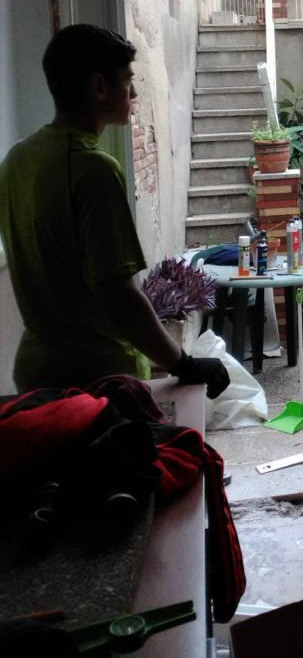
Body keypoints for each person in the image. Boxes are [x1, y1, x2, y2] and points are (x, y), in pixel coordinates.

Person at [0, 24, 229, 398]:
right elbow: (118, 296)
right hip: (95, 382)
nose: (134, 92)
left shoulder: (16, 160)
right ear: (99, 87)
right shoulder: (93, 169)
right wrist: (184, 364)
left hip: (35, 376)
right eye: (128, 80)